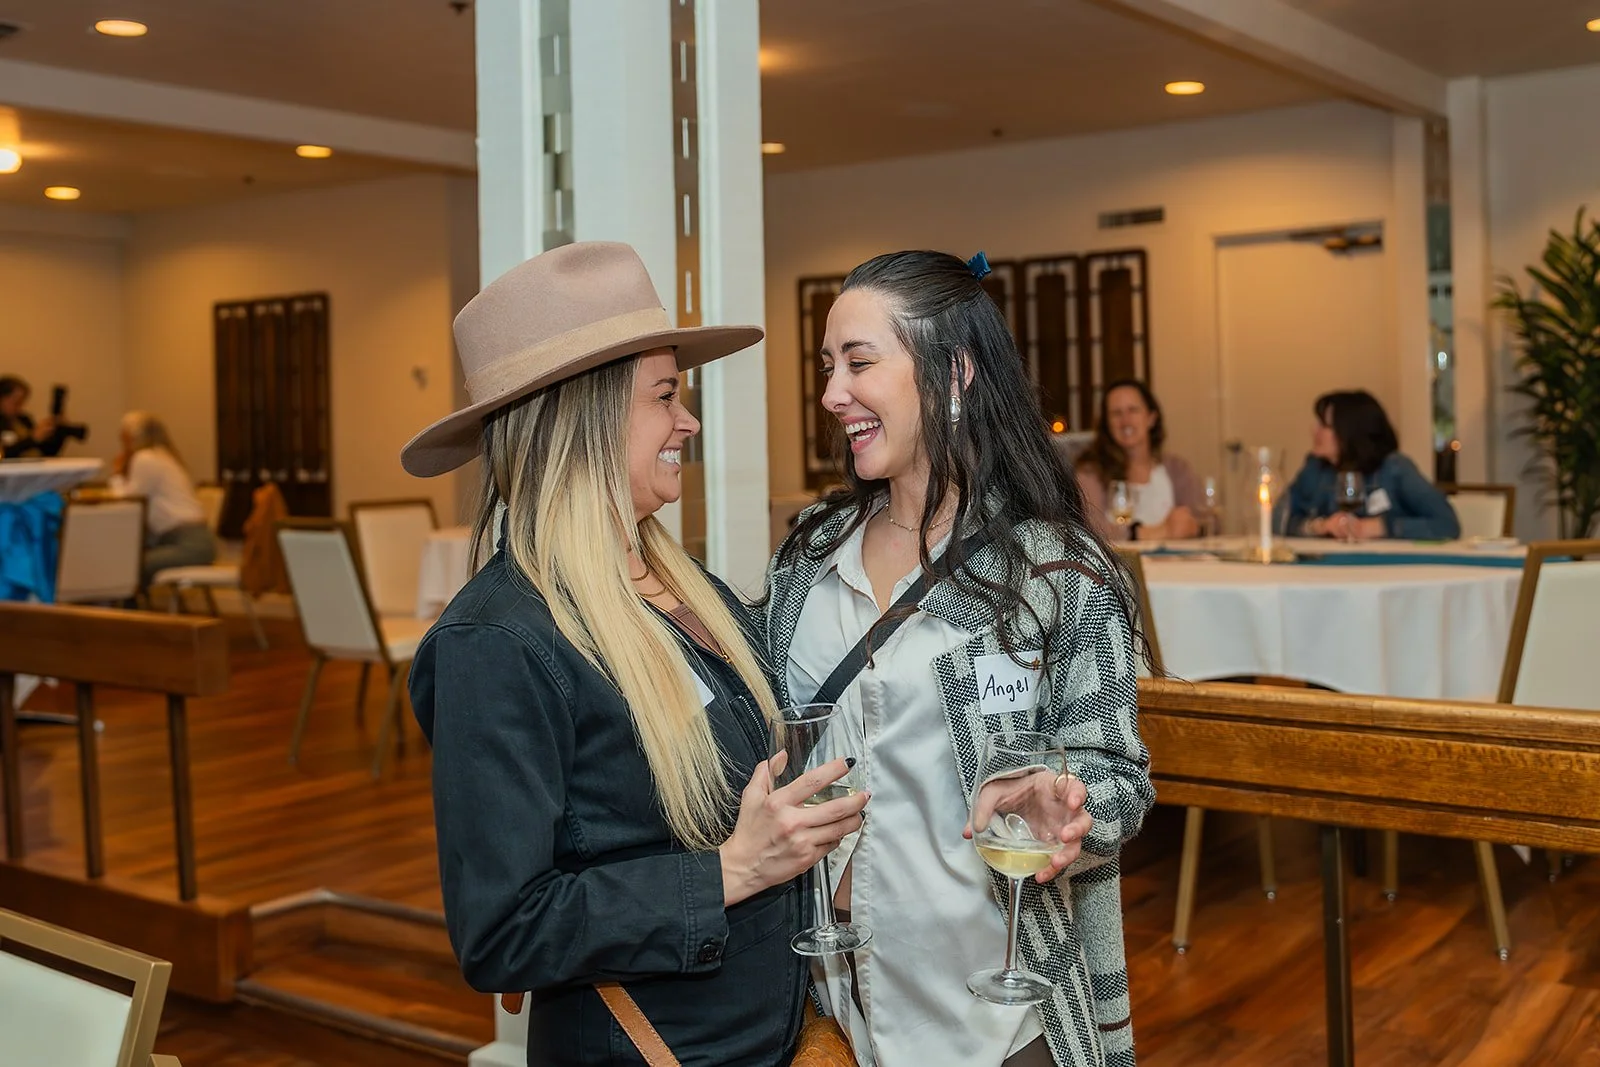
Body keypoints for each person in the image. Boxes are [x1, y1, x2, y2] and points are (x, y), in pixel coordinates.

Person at [401, 242, 867, 1066]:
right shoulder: (497, 641)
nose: (687, 421)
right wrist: (727, 872)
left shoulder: (696, 592)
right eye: (664, 396)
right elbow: (503, 932)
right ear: (585, 414)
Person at [763, 250, 1155, 1067]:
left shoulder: (1056, 572)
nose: (833, 392)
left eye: (860, 362)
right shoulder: (808, 558)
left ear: (954, 371)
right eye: (828, 366)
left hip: (995, 1025)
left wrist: (1071, 805)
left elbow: (1122, 779)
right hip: (837, 1015)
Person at [1284, 390, 1459, 540]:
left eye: (1324, 425)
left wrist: (1381, 527)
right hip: (1328, 569)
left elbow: (1447, 524)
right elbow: (1278, 520)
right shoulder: (1314, 469)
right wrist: (1320, 526)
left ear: (1350, 432)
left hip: (1389, 569)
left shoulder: (1395, 468)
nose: (1314, 430)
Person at [1073, 379, 1204, 541]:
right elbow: (1090, 529)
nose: (1125, 421)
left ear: (1151, 418)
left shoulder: (1177, 468)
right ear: (1107, 424)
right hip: (1121, 564)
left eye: (1133, 410)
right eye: (1116, 413)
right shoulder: (1090, 472)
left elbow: (1204, 521)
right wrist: (1154, 533)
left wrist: (1191, 526)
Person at [110, 412, 217, 587]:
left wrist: (117, 474)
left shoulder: (145, 458)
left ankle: (127, 611)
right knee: (132, 562)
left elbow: (130, 501)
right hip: (200, 542)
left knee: (128, 565)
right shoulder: (163, 455)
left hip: (188, 546)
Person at [0, 376, 61, 459]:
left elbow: (46, 451)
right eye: (16, 403)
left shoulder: (24, 420)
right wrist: (32, 439)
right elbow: (5, 453)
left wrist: (57, 432)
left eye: (21, 402)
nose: (19, 408)